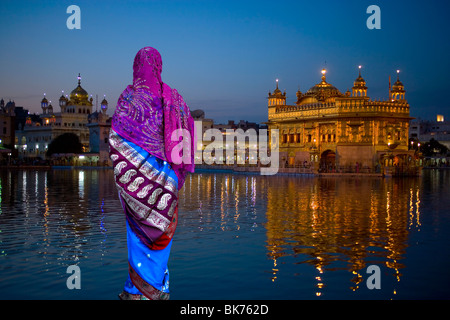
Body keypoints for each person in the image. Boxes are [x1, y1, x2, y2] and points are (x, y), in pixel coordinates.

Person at [109, 47, 195, 300]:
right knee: (159, 234)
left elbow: (115, 141)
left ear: (135, 66)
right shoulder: (175, 99)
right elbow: (187, 135)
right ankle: (156, 287)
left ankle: (136, 290)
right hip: (166, 183)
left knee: (138, 235)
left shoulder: (129, 97)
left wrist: (134, 170)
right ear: (159, 66)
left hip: (135, 186)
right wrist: (172, 173)